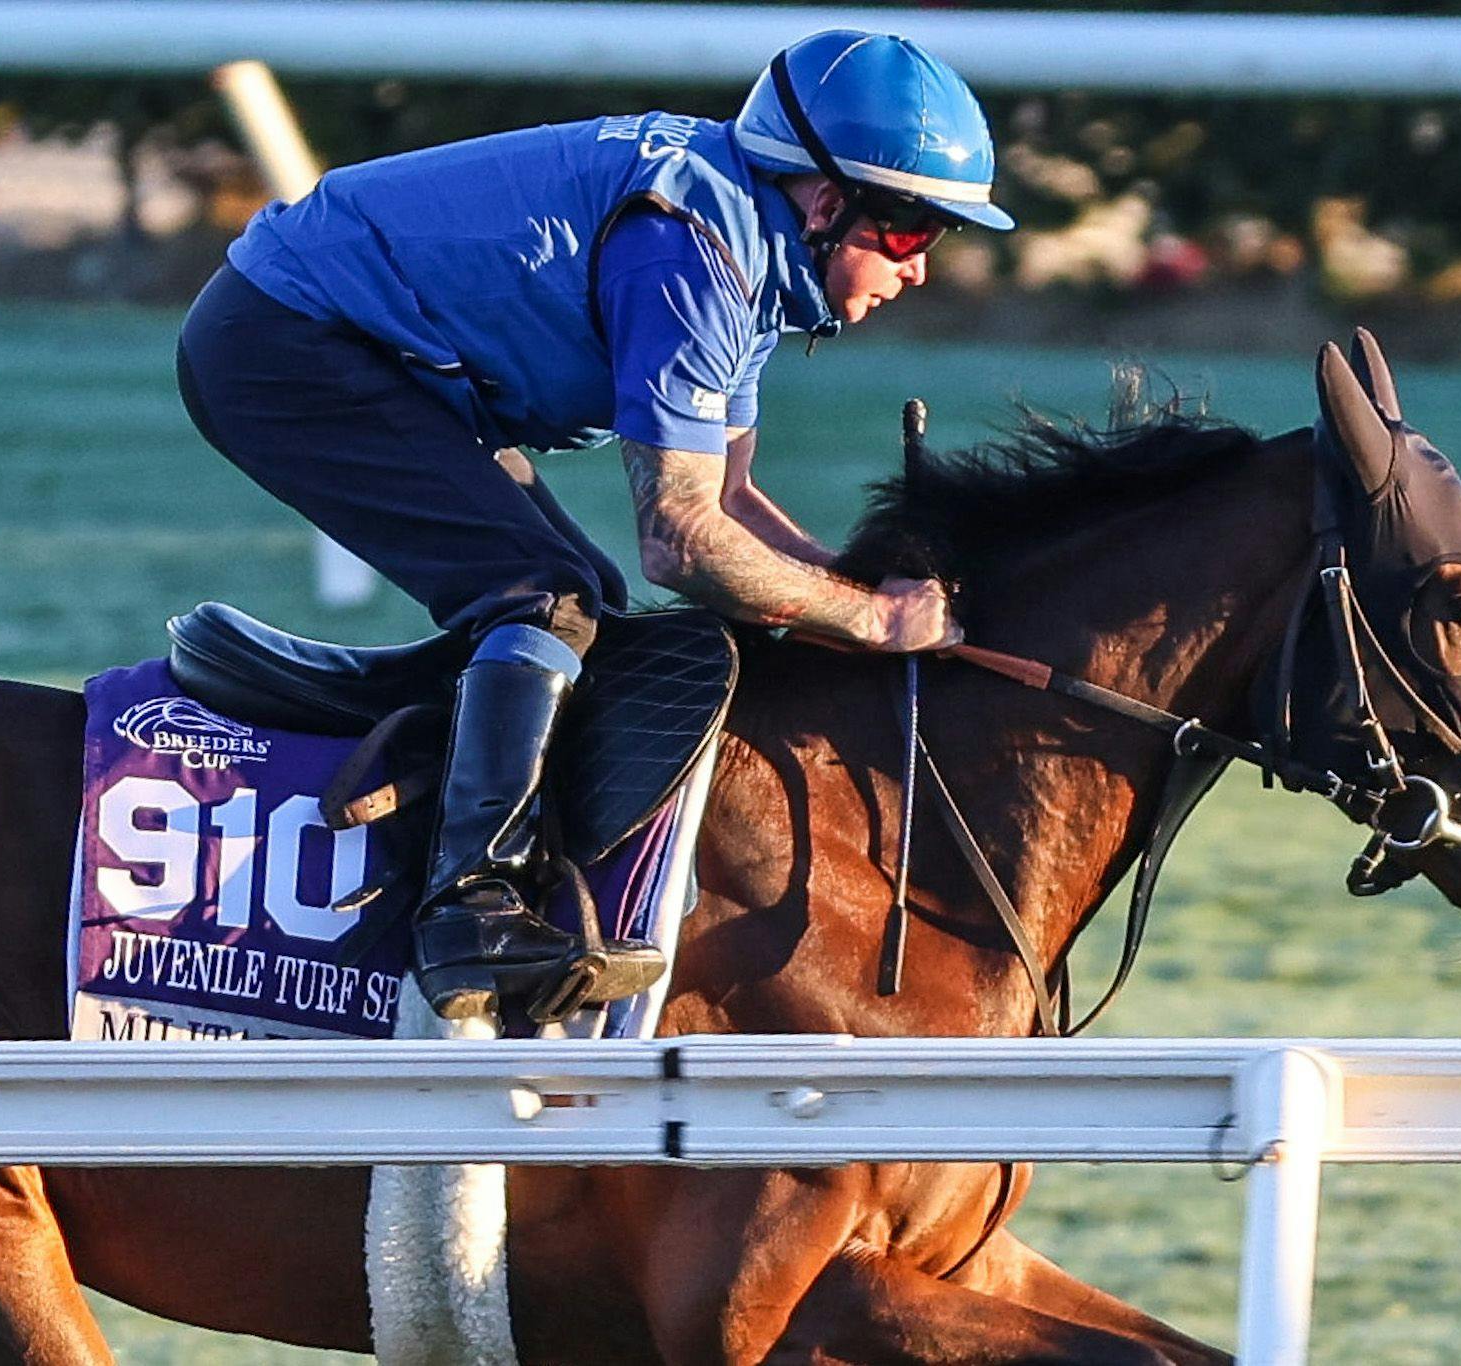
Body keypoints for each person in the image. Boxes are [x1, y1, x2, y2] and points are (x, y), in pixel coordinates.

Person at [176, 29, 1015, 1020]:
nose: (920, 270)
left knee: (583, 605)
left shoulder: (748, 236)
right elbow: (685, 542)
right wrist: (870, 623)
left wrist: (854, 585)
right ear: (827, 203)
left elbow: (735, 502)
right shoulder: (689, 247)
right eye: (911, 232)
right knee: (542, 598)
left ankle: (468, 838)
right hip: (283, 343)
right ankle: (469, 912)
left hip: (366, 350)